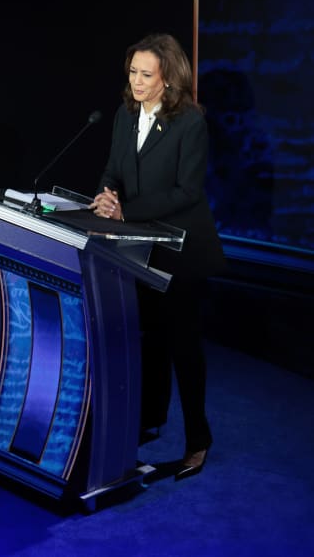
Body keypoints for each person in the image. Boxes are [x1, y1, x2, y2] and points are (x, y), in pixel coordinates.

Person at [90, 33, 225, 481]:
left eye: (146, 74)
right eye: (132, 72)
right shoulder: (124, 116)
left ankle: (198, 440)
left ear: (168, 78)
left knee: (184, 348)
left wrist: (128, 209)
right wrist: (107, 196)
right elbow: (114, 169)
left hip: (183, 252)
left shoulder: (190, 122)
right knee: (148, 339)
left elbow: (187, 191)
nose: (137, 82)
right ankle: (149, 420)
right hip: (138, 248)